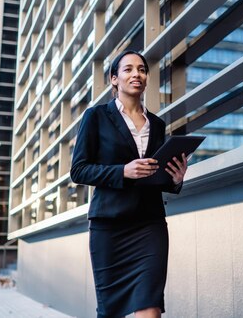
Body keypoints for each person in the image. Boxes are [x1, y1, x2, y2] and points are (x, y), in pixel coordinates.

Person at [71, 50, 187, 318]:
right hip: (109, 227)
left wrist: (175, 180)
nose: (137, 74)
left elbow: (155, 175)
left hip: (149, 225)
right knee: (110, 311)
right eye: (128, 69)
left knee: (150, 307)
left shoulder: (157, 125)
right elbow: (79, 171)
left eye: (142, 69)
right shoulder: (96, 116)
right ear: (114, 79)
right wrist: (122, 171)